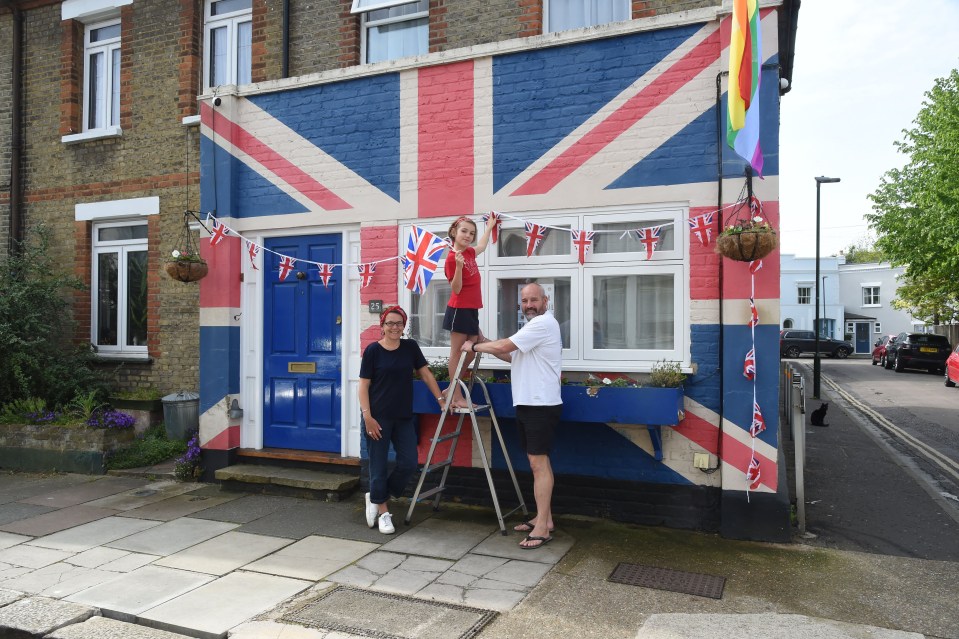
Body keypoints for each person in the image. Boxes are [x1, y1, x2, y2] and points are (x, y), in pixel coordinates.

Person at [463, 282, 562, 549]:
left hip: (540, 405)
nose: (529, 305)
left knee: (537, 464)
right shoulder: (533, 328)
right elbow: (513, 355)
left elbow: (504, 345)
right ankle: (546, 519)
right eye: (525, 301)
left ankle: (542, 529)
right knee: (539, 463)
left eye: (534, 300)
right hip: (531, 403)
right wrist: (484, 342)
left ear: (545, 300)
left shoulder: (542, 324)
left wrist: (473, 348)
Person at [359, 305, 446, 534]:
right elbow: (363, 386)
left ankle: (376, 497)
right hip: (377, 418)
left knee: (408, 463)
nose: (395, 327)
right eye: (390, 323)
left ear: (404, 325)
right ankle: (384, 512)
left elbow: (425, 373)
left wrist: (440, 399)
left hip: (403, 417)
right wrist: (367, 416)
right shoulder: (373, 351)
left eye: (399, 323)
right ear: (382, 326)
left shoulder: (410, 347)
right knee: (377, 467)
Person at [444, 215, 495, 409]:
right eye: (464, 231)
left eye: (471, 233)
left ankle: (451, 388)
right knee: (457, 353)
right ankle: (456, 397)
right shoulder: (452, 258)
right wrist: (458, 266)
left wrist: (489, 227)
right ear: (454, 232)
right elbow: (456, 289)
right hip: (459, 309)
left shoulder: (469, 253)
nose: (468, 235)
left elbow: (481, 246)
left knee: (472, 351)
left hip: (472, 309)